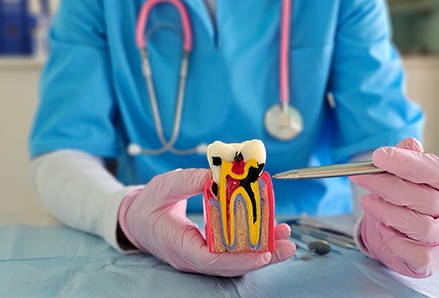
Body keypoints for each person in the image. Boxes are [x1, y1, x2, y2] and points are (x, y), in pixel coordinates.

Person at [29, 0, 439, 278]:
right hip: (153, 250)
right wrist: (126, 214)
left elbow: (379, 140)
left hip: (322, 240)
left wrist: (389, 214)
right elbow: (63, 147)